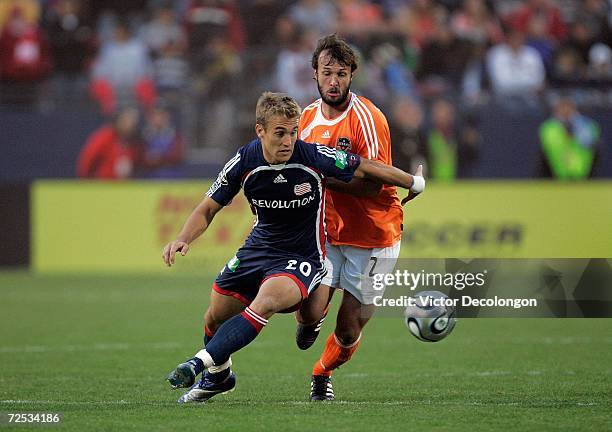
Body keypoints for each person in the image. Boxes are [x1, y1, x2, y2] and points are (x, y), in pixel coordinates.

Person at [163, 92, 425, 403]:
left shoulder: (311, 155)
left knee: (265, 302)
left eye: (293, 131)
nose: (288, 141)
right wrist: (183, 237)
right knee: (214, 316)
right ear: (260, 130)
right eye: (280, 133)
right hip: (257, 249)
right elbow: (208, 207)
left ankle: (197, 364)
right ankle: (220, 376)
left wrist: (413, 181)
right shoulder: (245, 160)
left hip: (301, 256)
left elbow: (366, 166)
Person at [296, 34, 419, 401]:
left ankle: (322, 372)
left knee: (348, 329)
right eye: (327, 72)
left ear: (352, 76)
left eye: (342, 73)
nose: (334, 81)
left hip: (373, 235)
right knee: (307, 312)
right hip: (328, 232)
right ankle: (309, 320)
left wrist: (322, 180)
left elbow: (372, 187)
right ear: (315, 74)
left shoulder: (368, 118)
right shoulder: (305, 118)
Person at [77, 107, 142, 179]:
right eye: (126, 120)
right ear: (118, 120)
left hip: (127, 187)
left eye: (133, 121)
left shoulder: (136, 142)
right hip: (103, 186)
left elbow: (140, 164)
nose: (130, 124)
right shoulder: (104, 138)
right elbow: (87, 162)